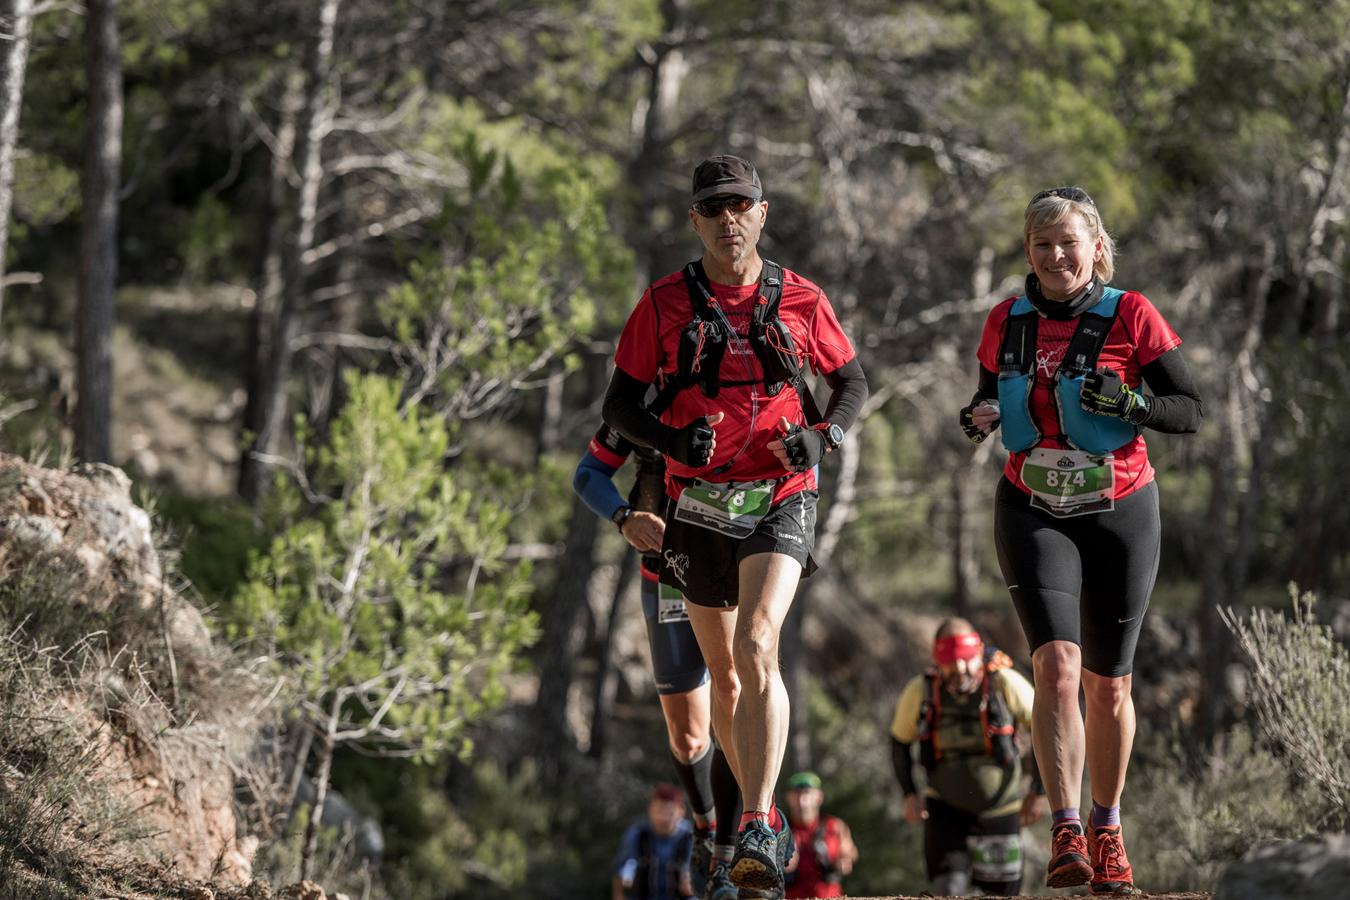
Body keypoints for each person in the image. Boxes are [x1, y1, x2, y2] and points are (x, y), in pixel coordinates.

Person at [602, 154, 868, 896]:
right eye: (713, 209)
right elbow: (619, 408)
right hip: (697, 505)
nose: (728, 220)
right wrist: (669, 442)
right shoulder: (662, 304)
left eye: (740, 206)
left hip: (781, 493)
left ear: (762, 212)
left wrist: (824, 438)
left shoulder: (802, 299)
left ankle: (759, 820)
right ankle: (724, 833)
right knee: (723, 675)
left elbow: (850, 382)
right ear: (696, 221)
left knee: (759, 643)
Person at [958, 186, 1203, 894]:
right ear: (1027, 253)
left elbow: (1188, 409)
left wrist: (1134, 405)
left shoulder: (1131, 313)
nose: (1056, 257)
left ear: (1096, 245)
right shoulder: (1005, 320)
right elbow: (986, 397)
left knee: (1108, 685)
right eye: (1042, 246)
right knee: (1056, 669)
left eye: (1069, 243)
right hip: (1032, 505)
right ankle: (1065, 827)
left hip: (1119, 508)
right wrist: (977, 416)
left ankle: (1107, 824)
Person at [572, 424, 743, 899]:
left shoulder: (743, 380)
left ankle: (740, 839)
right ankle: (708, 829)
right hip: (665, 575)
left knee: (733, 695)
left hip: (729, 568)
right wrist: (625, 517)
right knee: (689, 737)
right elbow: (588, 475)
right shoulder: (641, 401)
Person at [890, 619, 1047, 896]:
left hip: (1001, 810)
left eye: (965, 659)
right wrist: (909, 794)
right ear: (936, 659)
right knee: (947, 889)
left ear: (979, 653)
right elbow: (900, 741)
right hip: (945, 810)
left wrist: (1039, 790)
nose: (959, 669)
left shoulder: (1004, 683)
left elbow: (1044, 728)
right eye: (949, 661)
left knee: (1001, 894)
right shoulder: (921, 690)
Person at [613, 783, 697, 900]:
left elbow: (700, 873)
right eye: (659, 811)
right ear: (651, 810)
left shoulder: (691, 836)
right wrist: (625, 879)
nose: (663, 818)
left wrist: (692, 883)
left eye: (669, 812)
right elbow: (623, 866)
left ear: (681, 811)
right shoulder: (639, 833)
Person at [782, 772, 858, 899]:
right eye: (796, 793)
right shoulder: (780, 830)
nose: (802, 800)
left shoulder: (834, 826)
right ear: (788, 797)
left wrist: (844, 860)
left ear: (819, 797)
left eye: (807, 793)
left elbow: (850, 852)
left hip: (828, 896)